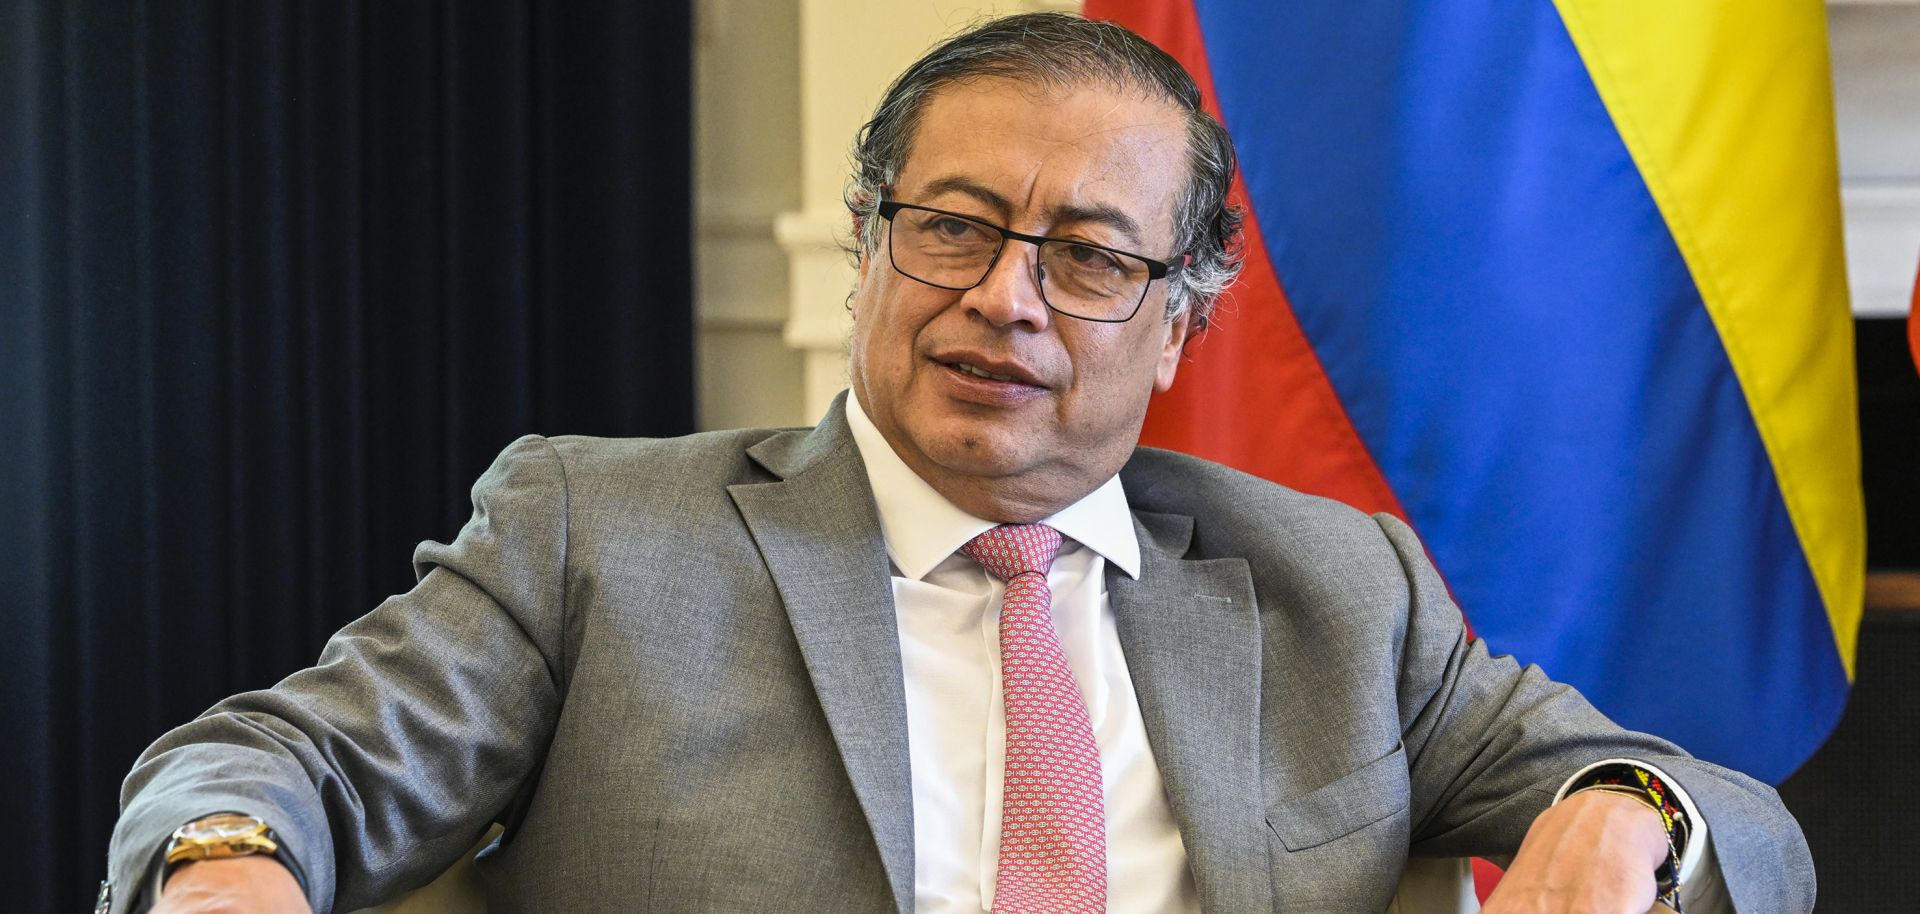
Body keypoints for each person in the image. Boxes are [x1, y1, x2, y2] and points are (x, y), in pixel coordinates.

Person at [106, 12, 1811, 914]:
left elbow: (1735, 806)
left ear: (1177, 319)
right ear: (866, 249)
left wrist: (1625, 809)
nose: (1006, 295)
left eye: (1085, 254)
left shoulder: (1336, 584)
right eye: (953, 226)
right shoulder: (599, 535)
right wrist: (227, 862)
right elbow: (271, 760)